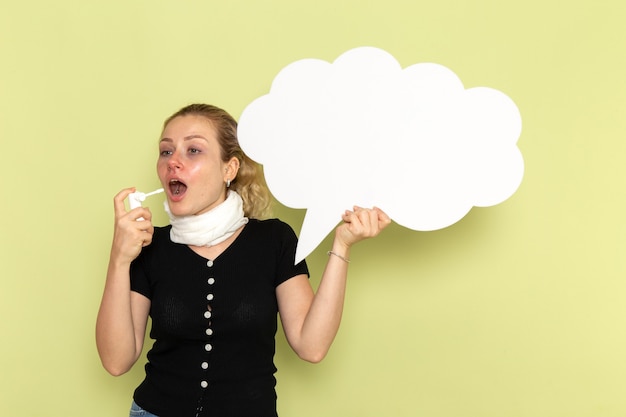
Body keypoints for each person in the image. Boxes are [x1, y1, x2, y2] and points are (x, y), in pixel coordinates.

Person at [96, 103, 390, 417]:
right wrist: (119, 259)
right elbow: (116, 361)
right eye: (166, 152)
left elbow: (311, 346)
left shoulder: (274, 240)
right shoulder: (150, 247)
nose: (174, 162)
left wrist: (342, 245)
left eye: (193, 150)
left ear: (229, 169)